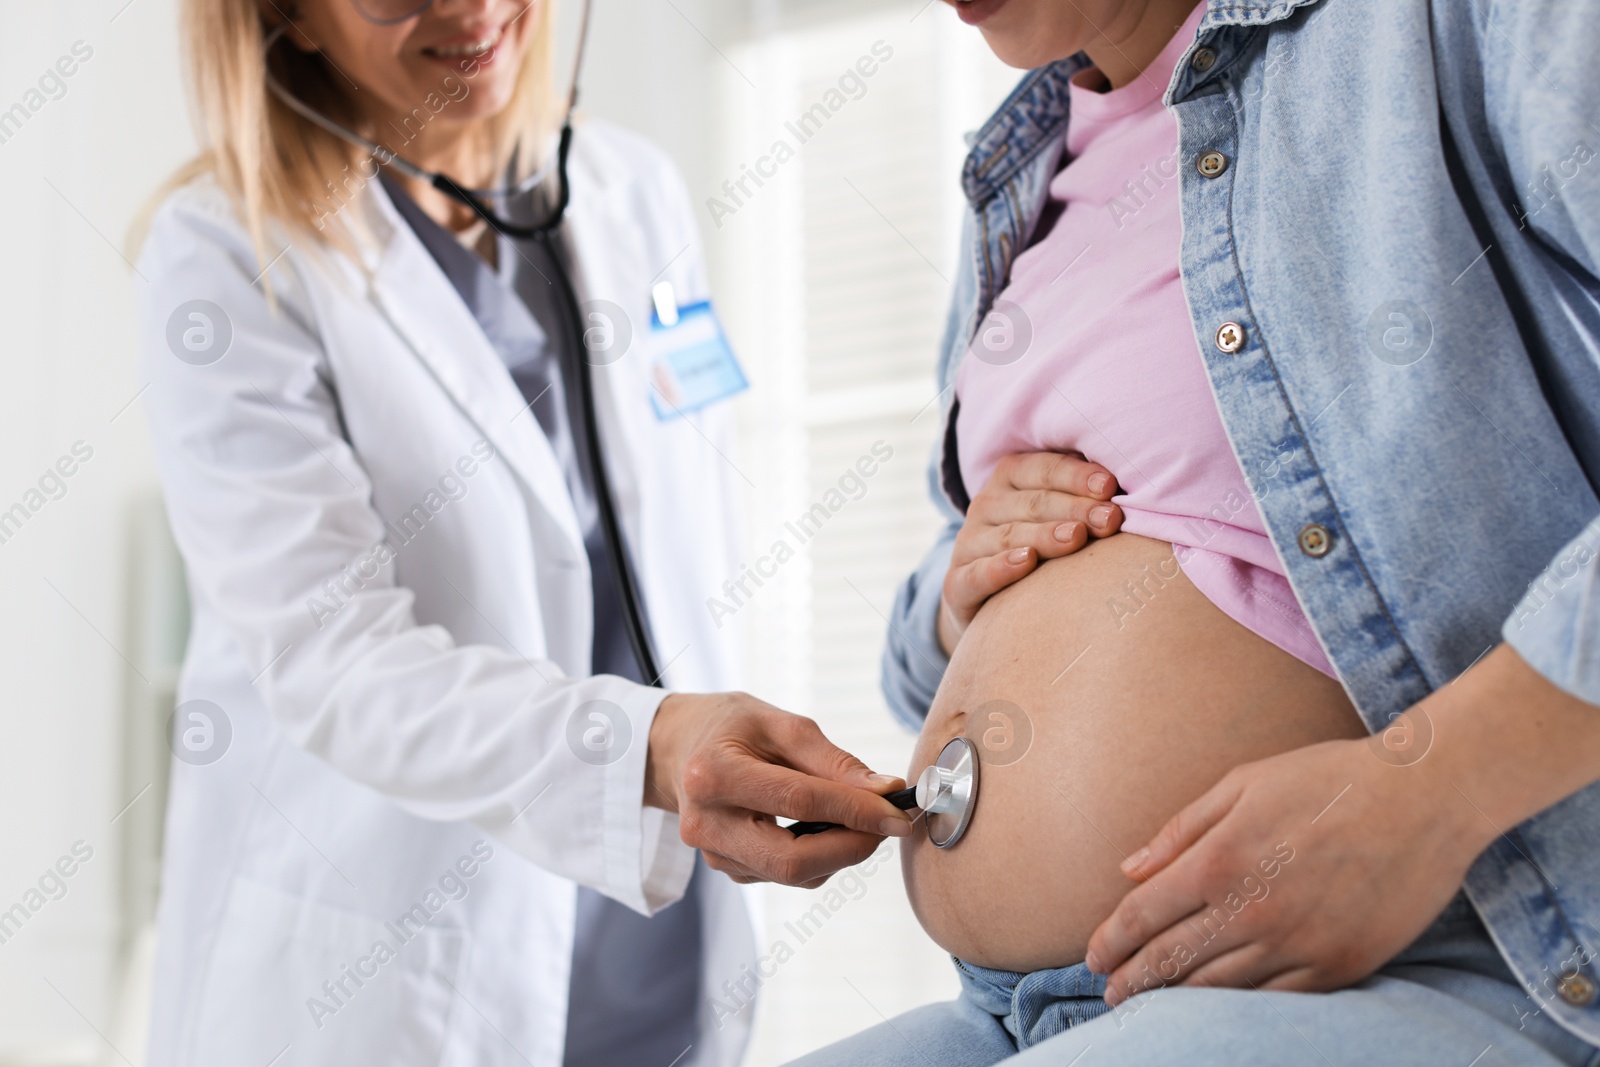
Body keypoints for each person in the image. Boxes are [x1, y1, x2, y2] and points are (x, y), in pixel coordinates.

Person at [136, 1, 1108, 1063]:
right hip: (385, 963)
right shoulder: (230, 254)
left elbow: (686, 543)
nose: (466, 8)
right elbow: (331, 655)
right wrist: (649, 745)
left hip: (652, 930)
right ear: (291, 19)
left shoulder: (626, 192)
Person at [800, 0, 1600, 1063]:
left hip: (1428, 956)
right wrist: (958, 595)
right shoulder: (1018, 172)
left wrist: (1430, 787)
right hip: (999, 1006)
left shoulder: (1438, 29)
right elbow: (935, 636)